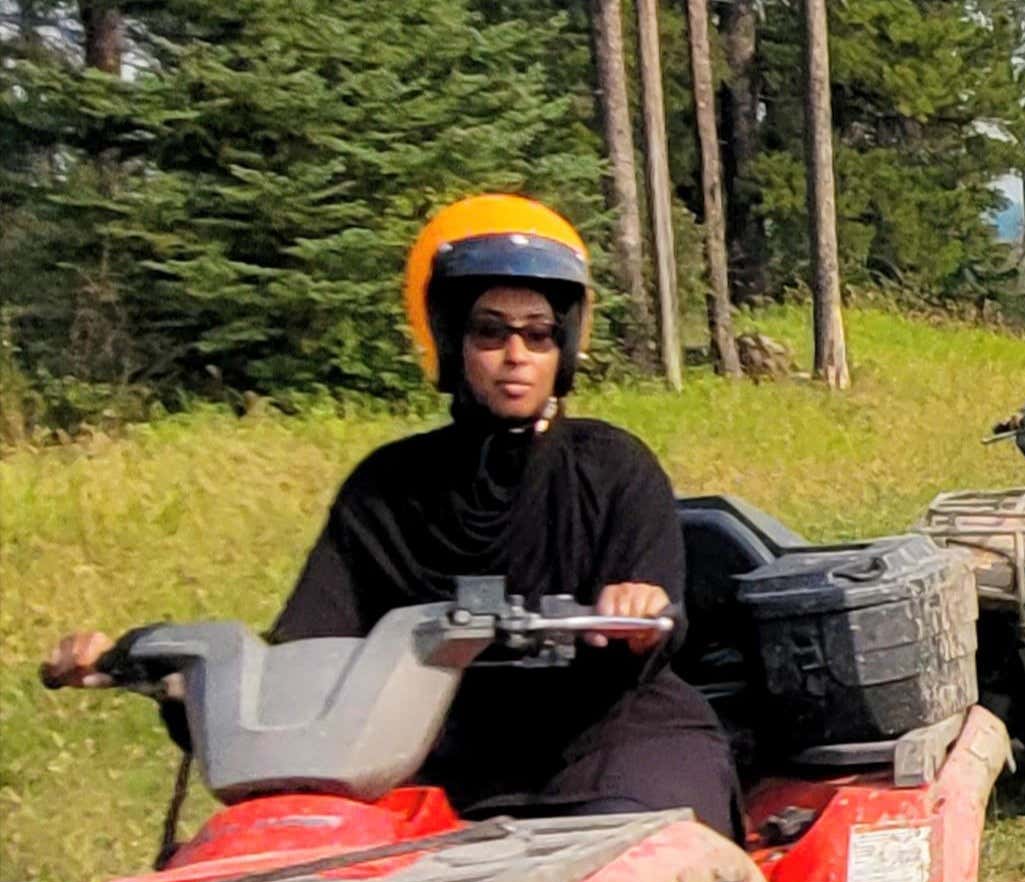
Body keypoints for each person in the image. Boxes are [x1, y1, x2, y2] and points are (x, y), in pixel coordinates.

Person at [37, 195, 737, 833]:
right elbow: (304, 663)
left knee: (640, 869)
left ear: (564, 348)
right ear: (451, 340)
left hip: (613, 749)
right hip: (439, 770)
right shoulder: (387, 488)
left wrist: (641, 610)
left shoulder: (614, 464)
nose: (516, 355)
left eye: (539, 334)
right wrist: (177, 680)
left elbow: (656, 606)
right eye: (491, 332)